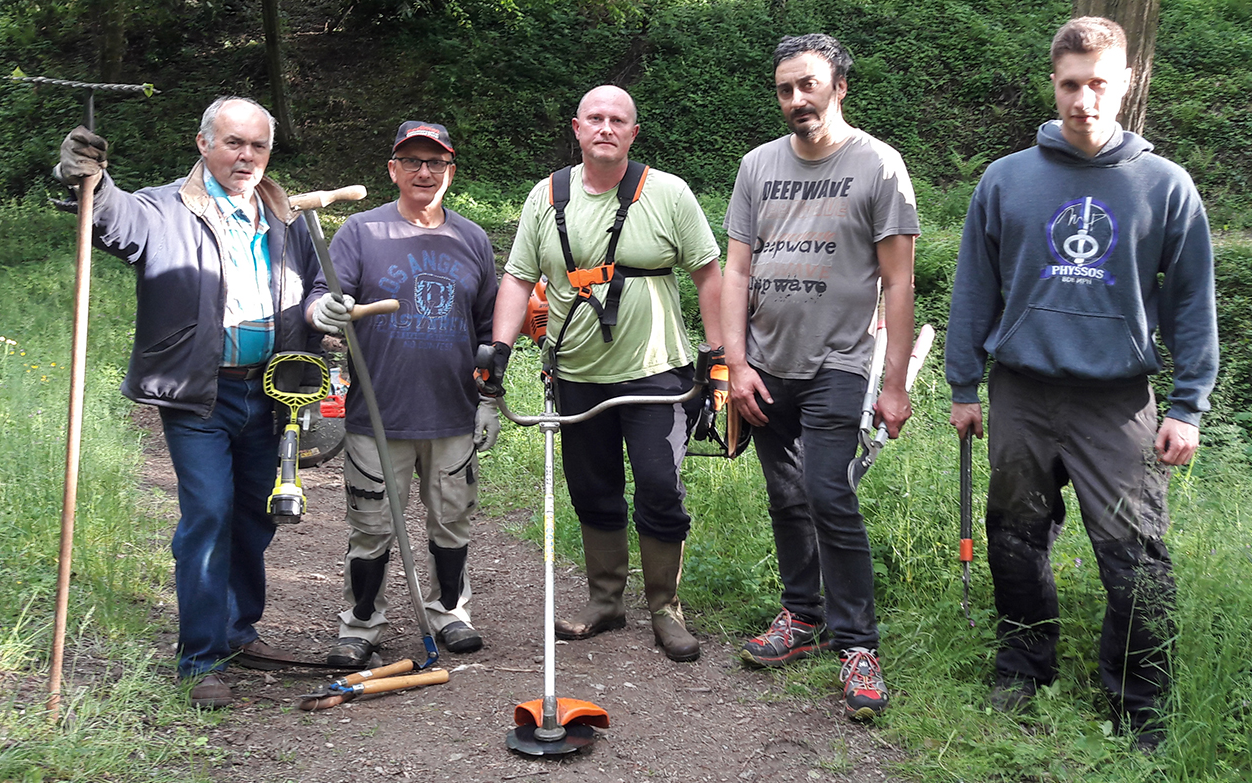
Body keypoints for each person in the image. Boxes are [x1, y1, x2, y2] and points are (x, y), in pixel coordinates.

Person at [944, 17, 1218, 750]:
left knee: (1137, 555)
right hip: (1021, 392)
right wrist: (964, 386)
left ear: (1125, 82)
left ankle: (1139, 702)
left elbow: (1193, 304)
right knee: (1015, 536)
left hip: (1116, 400)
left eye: (1099, 83)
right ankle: (1023, 666)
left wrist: (1188, 406)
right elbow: (974, 290)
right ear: (1054, 84)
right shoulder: (1006, 179)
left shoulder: (1165, 185)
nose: (1084, 100)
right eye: (1071, 84)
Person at [54, 97, 323, 709]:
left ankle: (236, 631)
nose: (246, 156)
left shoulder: (287, 216)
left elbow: (316, 283)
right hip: (198, 393)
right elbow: (111, 218)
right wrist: (88, 180)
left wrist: (319, 309)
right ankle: (200, 659)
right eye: (234, 143)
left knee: (255, 515)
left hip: (273, 390)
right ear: (203, 144)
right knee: (208, 513)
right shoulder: (163, 209)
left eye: (257, 145)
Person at [720, 33, 920, 722]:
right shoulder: (757, 165)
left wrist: (894, 383)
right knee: (785, 493)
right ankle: (802, 615)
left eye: (809, 84)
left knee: (828, 491)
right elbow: (737, 269)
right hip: (764, 362)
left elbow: (899, 281)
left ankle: (858, 645)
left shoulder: (879, 165)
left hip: (840, 359)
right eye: (785, 89)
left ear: (839, 87)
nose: (796, 99)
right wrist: (735, 363)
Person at [487, 85, 722, 662]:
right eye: (595, 118)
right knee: (593, 488)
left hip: (657, 373)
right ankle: (606, 601)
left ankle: (665, 608)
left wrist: (718, 355)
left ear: (633, 133)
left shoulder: (668, 193)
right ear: (577, 128)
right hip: (575, 372)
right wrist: (499, 348)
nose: (606, 128)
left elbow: (709, 276)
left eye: (619, 120)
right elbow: (517, 279)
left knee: (660, 485)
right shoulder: (546, 197)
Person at [307, 122, 498, 664]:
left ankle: (450, 613)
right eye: (412, 161)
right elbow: (321, 296)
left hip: (452, 411)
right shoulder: (360, 232)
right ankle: (361, 625)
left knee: (453, 521)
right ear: (393, 169)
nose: (424, 172)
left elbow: (491, 327)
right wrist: (323, 311)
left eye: (435, 162)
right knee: (370, 526)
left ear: (450, 172)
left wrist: (488, 399)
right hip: (378, 412)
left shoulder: (472, 239)